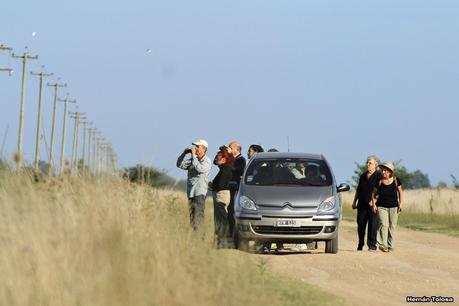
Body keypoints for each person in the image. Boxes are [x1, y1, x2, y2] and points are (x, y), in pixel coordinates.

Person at [176, 139, 212, 231]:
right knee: (192, 217)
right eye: (195, 146)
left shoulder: (206, 161)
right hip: (191, 192)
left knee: (198, 216)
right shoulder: (193, 159)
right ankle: (195, 239)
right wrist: (184, 153)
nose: (195, 148)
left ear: (204, 149)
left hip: (199, 192)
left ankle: (200, 238)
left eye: (197, 147)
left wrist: (193, 156)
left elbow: (200, 168)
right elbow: (179, 164)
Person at [351, 156, 382, 251]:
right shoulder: (363, 176)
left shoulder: (379, 175)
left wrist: (375, 201)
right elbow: (358, 190)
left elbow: (381, 190)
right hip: (361, 204)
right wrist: (354, 201)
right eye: (367, 162)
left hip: (373, 205)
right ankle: (360, 244)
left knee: (373, 225)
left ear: (375, 165)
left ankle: (372, 245)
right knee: (360, 224)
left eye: (370, 163)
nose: (367, 164)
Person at [371, 162, 403, 252]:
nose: (383, 172)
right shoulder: (380, 181)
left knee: (392, 226)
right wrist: (374, 205)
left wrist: (401, 204)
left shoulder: (396, 180)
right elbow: (373, 193)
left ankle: (390, 245)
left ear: (390, 172)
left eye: (385, 170)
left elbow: (400, 192)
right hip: (381, 207)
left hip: (394, 207)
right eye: (383, 170)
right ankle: (382, 244)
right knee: (384, 224)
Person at [209, 148, 234, 248]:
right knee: (222, 218)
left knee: (221, 219)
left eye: (218, 156)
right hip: (223, 195)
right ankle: (222, 241)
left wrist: (212, 186)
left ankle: (222, 242)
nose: (216, 158)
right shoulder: (225, 168)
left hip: (221, 196)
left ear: (224, 159)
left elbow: (221, 185)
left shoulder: (225, 169)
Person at [227, 141, 246, 243]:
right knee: (229, 212)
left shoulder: (241, 160)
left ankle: (234, 236)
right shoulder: (232, 159)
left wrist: (228, 161)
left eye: (230, 148)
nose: (229, 150)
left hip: (235, 188)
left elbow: (237, 171)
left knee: (232, 212)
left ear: (236, 149)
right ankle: (230, 234)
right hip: (229, 188)